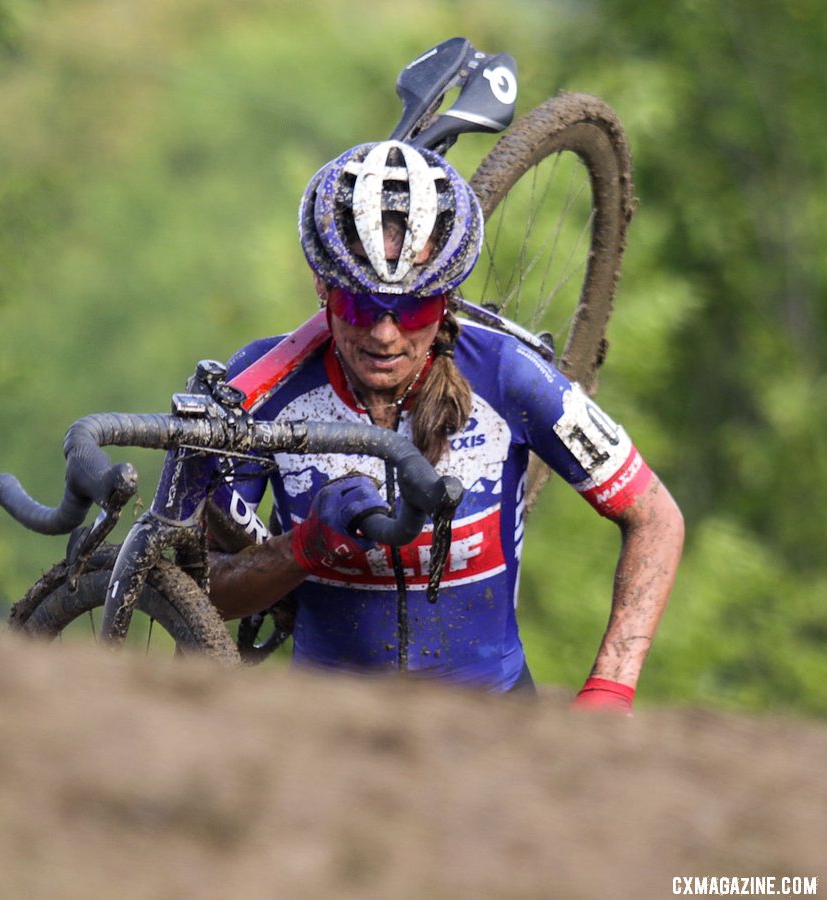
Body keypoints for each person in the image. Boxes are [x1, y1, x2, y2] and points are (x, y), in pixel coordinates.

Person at [206, 139, 684, 712]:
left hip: (495, 721)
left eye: (412, 310)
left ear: (447, 296)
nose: (385, 335)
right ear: (321, 286)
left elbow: (655, 517)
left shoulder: (508, 375)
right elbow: (207, 591)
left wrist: (611, 687)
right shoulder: (264, 386)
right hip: (327, 729)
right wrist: (302, 548)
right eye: (359, 306)